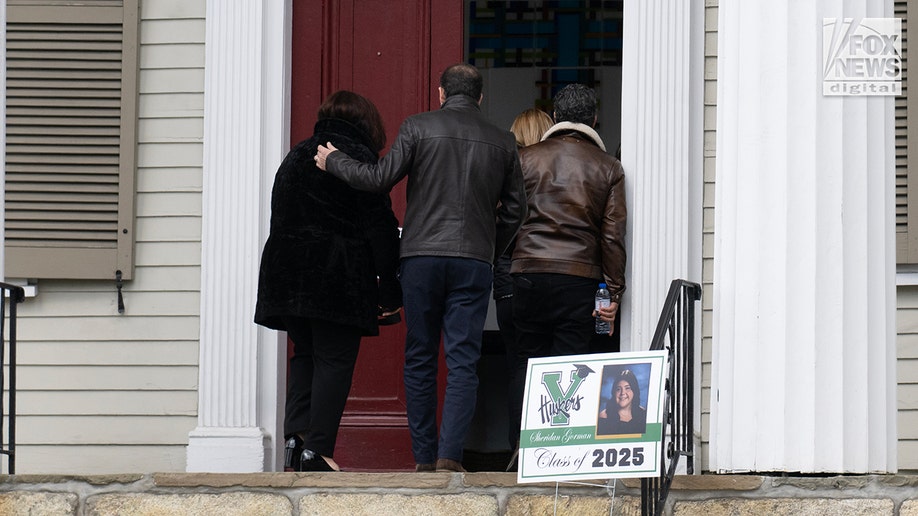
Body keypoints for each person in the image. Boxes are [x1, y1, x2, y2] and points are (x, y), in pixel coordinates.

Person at [314, 63, 527, 473]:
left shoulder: (418, 126)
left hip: (421, 260)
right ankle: (450, 457)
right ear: (480, 98)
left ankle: (425, 460)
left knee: (420, 357)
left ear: (442, 94)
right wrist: (488, 247)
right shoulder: (503, 141)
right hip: (473, 263)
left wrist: (335, 161)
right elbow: (518, 210)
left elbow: (378, 178)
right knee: (464, 360)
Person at [254, 90, 402, 472]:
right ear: (368, 123)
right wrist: (389, 290)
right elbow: (380, 228)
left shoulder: (295, 155)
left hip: (285, 276)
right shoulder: (359, 157)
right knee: (335, 359)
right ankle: (318, 452)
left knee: (304, 354)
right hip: (335, 276)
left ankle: (296, 440)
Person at [507, 84, 627, 466]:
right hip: (579, 278)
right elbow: (612, 236)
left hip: (528, 273)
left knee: (528, 364)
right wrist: (614, 291)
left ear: (555, 118)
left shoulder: (524, 159)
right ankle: (561, 457)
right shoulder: (608, 166)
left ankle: (522, 452)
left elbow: (506, 218)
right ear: (594, 120)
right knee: (572, 367)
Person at [495, 108, 552, 451]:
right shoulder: (554, 173)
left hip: (506, 281)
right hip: (543, 276)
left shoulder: (505, 173)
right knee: (551, 363)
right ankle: (549, 447)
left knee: (518, 364)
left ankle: (519, 446)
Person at [597, 369, 647, 435]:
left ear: (634, 391)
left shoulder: (643, 414)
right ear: (614, 392)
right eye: (618, 389)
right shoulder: (603, 417)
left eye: (627, 388)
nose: (622, 393)